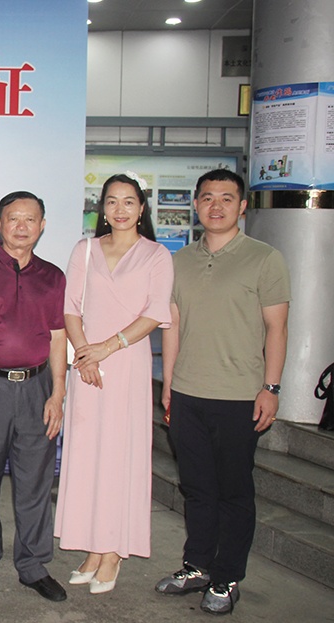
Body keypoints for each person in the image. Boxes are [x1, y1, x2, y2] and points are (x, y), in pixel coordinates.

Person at [156, 169, 289, 615]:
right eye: (208, 197)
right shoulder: (179, 261)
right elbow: (172, 326)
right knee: (196, 487)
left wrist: (271, 388)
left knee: (233, 492)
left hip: (240, 396)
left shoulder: (264, 258)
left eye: (227, 198)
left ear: (242, 206)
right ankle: (197, 565)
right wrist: (169, 385)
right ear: (196, 204)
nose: (216, 206)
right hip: (188, 393)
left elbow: (277, 328)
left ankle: (227, 577)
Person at [53, 173, 173, 594]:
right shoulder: (84, 250)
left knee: (121, 456)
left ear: (141, 208)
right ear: (101, 208)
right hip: (87, 365)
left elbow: (155, 312)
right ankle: (92, 546)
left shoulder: (157, 254)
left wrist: (107, 348)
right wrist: (85, 352)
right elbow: (70, 308)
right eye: (111, 202)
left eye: (128, 201)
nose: (120, 210)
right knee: (87, 456)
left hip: (127, 364)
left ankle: (113, 551)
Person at [0, 191, 68, 602]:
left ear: (42, 226)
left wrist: (58, 394)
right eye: (13, 218)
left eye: (30, 219)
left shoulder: (52, 276)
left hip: (37, 388)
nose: (22, 226)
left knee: (35, 479)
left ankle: (33, 563)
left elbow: (58, 337)